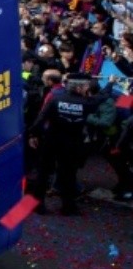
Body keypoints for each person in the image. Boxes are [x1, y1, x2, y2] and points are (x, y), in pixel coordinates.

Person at [28, 74, 105, 215]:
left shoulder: (56, 99)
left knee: (43, 173)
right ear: (80, 87)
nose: (88, 88)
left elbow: (41, 119)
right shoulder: (87, 103)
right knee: (68, 175)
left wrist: (33, 135)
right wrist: (111, 84)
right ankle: (68, 207)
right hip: (72, 143)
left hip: (51, 140)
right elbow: (101, 98)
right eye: (86, 85)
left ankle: (37, 205)